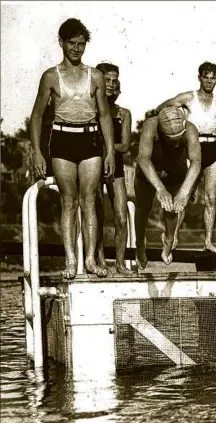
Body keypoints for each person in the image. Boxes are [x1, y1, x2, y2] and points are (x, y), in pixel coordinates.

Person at [29, 18, 115, 279]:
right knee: (69, 200)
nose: (77, 49)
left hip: (89, 140)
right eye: (72, 43)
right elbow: (36, 117)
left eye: (81, 44)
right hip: (62, 139)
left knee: (90, 199)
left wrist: (110, 150)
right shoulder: (51, 76)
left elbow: (104, 115)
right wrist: (36, 151)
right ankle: (70, 260)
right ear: (61, 43)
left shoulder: (95, 76)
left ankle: (90, 259)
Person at [157, 62, 216, 252]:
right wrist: (178, 122)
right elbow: (162, 108)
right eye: (206, 77)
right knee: (184, 196)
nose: (209, 81)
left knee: (210, 198)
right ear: (200, 77)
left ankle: (207, 242)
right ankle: (172, 236)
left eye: (212, 78)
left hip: (212, 149)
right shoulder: (188, 97)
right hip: (193, 147)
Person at [134, 106, 202, 270]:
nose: (176, 144)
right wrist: (160, 188)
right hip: (150, 170)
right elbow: (143, 158)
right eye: (171, 141)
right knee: (143, 208)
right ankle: (139, 244)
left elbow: (196, 161)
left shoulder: (190, 129)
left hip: (175, 170)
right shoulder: (150, 125)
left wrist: (184, 193)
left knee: (173, 207)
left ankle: (169, 241)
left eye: (179, 140)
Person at [95, 62, 132, 274]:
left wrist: (106, 148)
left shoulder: (123, 113)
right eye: (106, 80)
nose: (110, 84)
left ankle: (119, 263)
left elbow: (125, 145)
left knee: (121, 216)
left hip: (115, 166)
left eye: (114, 80)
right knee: (97, 215)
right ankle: (99, 261)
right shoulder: (91, 109)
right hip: (93, 167)